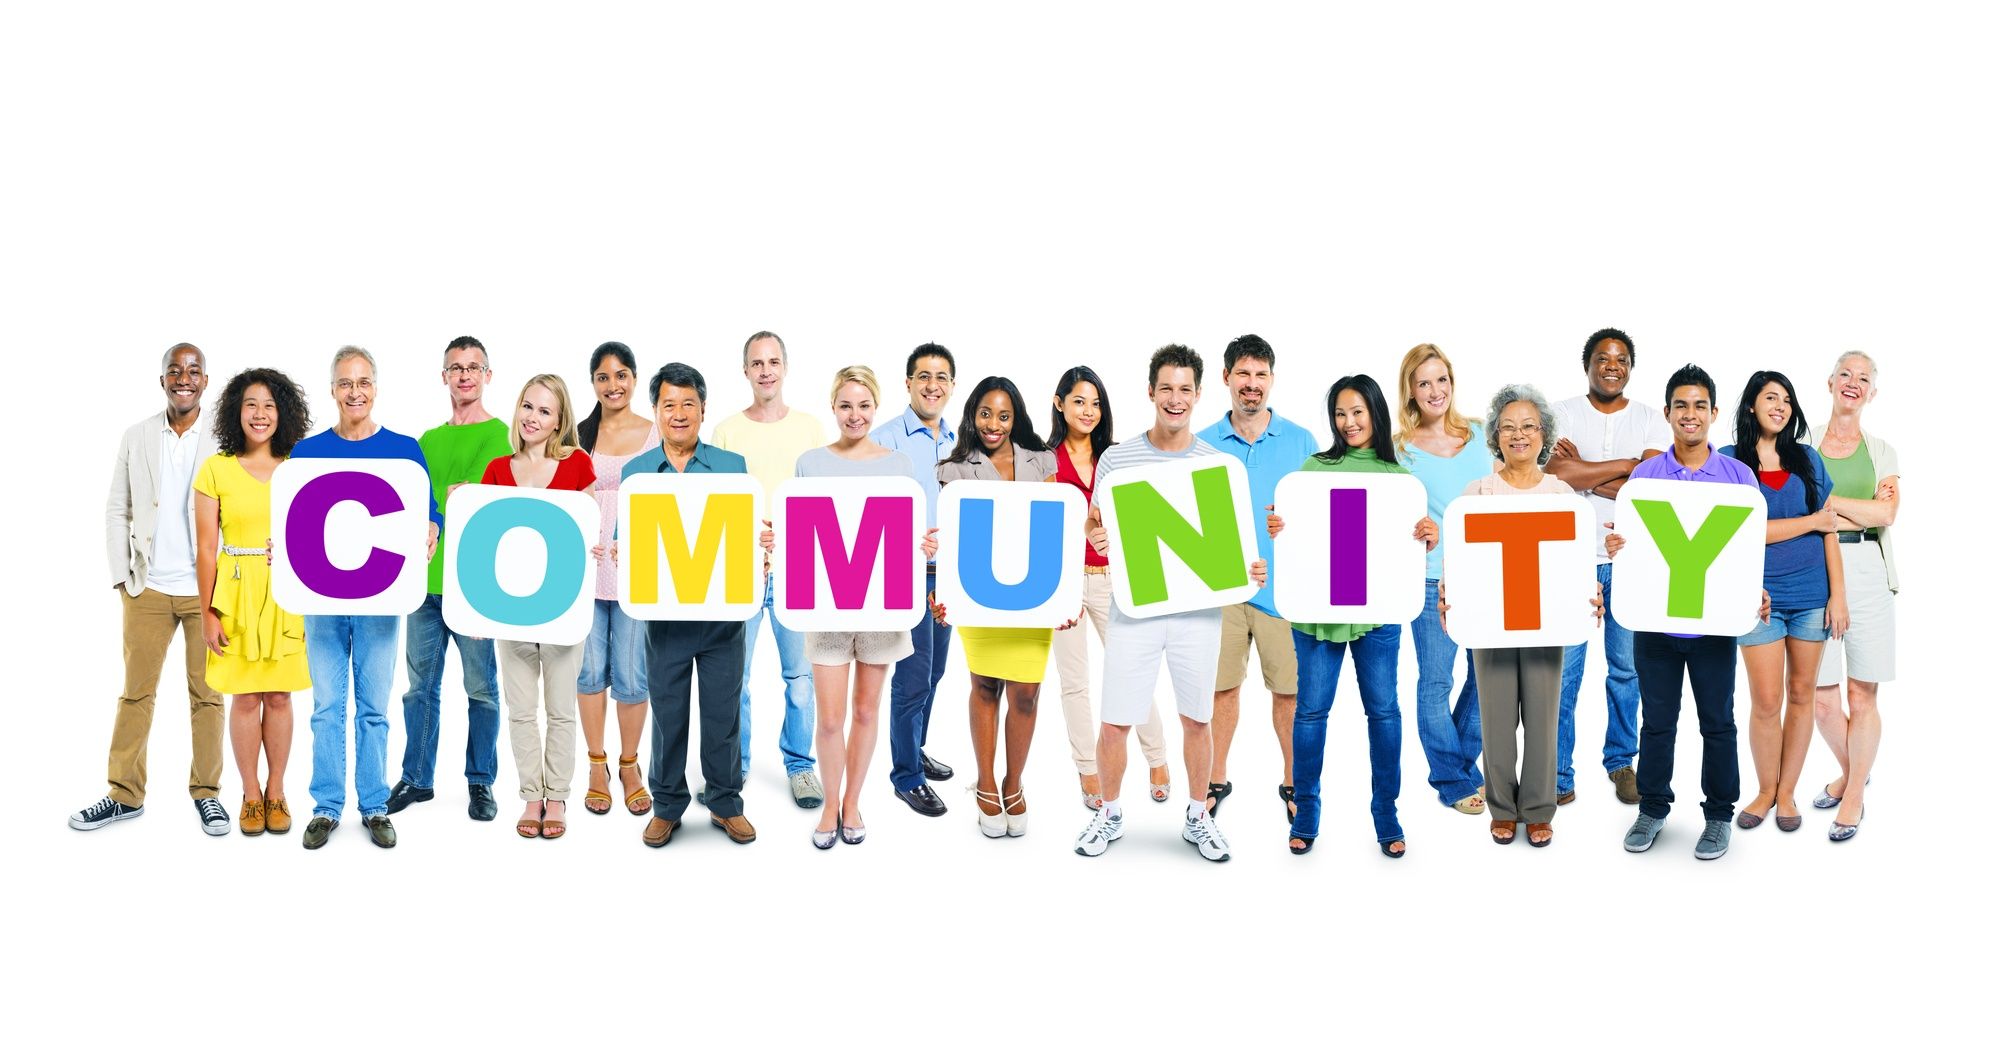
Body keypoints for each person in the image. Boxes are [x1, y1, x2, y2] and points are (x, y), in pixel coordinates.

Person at [1073, 345, 1265, 863]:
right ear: (1151, 393)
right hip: (1134, 611)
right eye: (1166, 389)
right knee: (1115, 721)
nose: (1175, 399)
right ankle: (1109, 813)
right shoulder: (1117, 458)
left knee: (1196, 720)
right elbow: (1095, 521)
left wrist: (1248, 570)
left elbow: (1231, 548)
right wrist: (1099, 536)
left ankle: (1198, 817)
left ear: (1198, 394)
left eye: (1185, 389)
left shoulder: (1216, 464)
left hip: (1197, 616)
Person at [1265, 375, 1435, 857]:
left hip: (1376, 616)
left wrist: (1426, 533)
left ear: (1375, 413)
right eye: (1340, 413)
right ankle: (1309, 809)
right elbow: (1298, 537)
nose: (1349, 422)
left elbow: (1404, 549)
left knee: (1383, 711)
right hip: (1318, 614)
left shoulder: (1398, 480)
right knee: (1312, 712)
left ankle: (1387, 811)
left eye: (1358, 412)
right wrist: (1280, 525)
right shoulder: (1312, 469)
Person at [73, 343, 227, 835]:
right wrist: (123, 579)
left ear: (206, 380)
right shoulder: (136, 436)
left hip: (209, 591)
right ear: (162, 379)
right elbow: (117, 508)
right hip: (148, 589)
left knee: (208, 695)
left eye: (194, 370)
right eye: (175, 371)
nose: (184, 378)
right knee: (135, 694)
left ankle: (207, 795)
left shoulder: (224, 439)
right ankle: (124, 794)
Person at [292, 346, 441, 850]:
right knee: (327, 706)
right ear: (332, 389)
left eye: (363, 382)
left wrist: (431, 528)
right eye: (344, 382)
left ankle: (374, 804)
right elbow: (291, 519)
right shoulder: (307, 452)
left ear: (375, 387)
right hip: (323, 600)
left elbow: (429, 510)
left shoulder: (403, 450)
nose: (354, 391)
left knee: (373, 707)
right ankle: (327, 807)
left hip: (380, 596)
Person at [1617, 364, 1769, 861]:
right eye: (1680, 405)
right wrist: (1618, 545)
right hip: (1657, 624)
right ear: (1667, 413)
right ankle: (1654, 807)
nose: (1690, 414)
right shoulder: (1645, 478)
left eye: (1699, 405)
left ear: (1714, 414)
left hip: (1712, 624)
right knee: (1657, 721)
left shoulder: (1738, 477)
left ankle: (1719, 816)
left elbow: (1746, 551)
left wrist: (1756, 590)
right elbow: (1636, 550)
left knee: (1716, 721)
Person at [1443, 384, 1594, 849]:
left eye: (1529, 426)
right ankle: (1503, 810)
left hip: (1547, 621)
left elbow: (1575, 564)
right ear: (1495, 437)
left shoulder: (1561, 493)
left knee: (1545, 718)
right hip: (1493, 623)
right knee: (1497, 720)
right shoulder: (1479, 491)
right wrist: (1453, 596)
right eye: (1508, 427)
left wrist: (1590, 598)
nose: (1518, 435)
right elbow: (1462, 560)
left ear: (1543, 433)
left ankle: (1539, 809)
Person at [796, 366, 938, 848]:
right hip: (827, 608)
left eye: (863, 406)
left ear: (874, 407)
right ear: (833, 408)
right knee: (831, 718)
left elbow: (902, 532)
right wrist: (777, 540)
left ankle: (853, 802)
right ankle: (830, 804)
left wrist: (921, 547)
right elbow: (803, 538)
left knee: (865, 712)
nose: (854, 415)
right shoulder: (811, 463)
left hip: (881, 605)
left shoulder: (898, 465)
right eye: (845, 405)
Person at [624, 363, 756, 849]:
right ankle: (667, 807)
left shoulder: (732, 467)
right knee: (668, 715)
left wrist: (760, 540)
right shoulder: (638, 473)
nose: (678, 414)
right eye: (668, 405)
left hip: (722, 622)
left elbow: (743, 535)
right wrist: (622, 549)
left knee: (723, 717)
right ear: (655, 411)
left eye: (688, 404)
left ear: (703, 410)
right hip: (665, 624)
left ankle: (725, 803)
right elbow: (629, 539)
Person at [388, 335, 512, 823]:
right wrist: (445, 497)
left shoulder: (499, 434)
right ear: (444, 377)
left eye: (474, 367)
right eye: (456, 367)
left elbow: (479, 500)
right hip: (422, 584)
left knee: (481, 688)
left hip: (472, 583)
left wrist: (446, 499)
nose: (464, 374)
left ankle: (481, 783)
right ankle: (418, 778)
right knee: (420, 688)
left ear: (487, 375)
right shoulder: (428, 440)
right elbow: (409, 500)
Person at [930, 376, 1060, 838]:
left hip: (1033, 596)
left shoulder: (1043, 462)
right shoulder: (953, 469)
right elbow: (951, 539)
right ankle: (985, 782)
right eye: (985, 413)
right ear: (972, 415)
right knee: (985, 686)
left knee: (1026, 692)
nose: (993, 424)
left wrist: (1065, 594)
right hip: (979, 596)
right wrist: (942, 593)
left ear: (1015, 417)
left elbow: (1056, 532)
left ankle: (1013, 781)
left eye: (1004, 415)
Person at [1547, 328, 1670, 807]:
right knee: (1565, 671)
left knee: (1626, 669)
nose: (1611, 365)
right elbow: (1554, 474)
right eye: (1602, 358)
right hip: (1571, 557)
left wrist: (1587, 472)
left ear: (1630, 367)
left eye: (1620, 358)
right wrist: (1624, 467)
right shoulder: (1560, 413)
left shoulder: (1650, 418)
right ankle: (1559, 772)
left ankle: (1621, 762)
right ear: (1588, 365)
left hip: (1629, 558)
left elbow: (1650, 491)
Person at [1196, 335, 1314, 820]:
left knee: (1288, 693)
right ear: (1226, 378)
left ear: (1272, 379)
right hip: (1221, 591)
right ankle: (1214, 778)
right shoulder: (1200, 443)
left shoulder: (1301, 441)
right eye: (1243, 374)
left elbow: (1316, 515)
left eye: (1261, 374)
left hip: (1283, 593)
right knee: (1222, 690)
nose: (1252, 384)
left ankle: (1293, 782)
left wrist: (1289, 529)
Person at [1722, 371, 1842, 833]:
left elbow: (1829, 529)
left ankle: (1787, 791)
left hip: (1813, 596)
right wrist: (1810, 520)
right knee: (1766, 700)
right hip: (1757, 598)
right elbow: (1740, 532)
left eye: (1787, 399)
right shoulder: (1731, 462)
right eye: (1770, 397)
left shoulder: (1808, 459)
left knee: (1801, 695)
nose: (1780, 405)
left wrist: (1840, 596)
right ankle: (1764, 788)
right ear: (1751, 405)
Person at [1048, 366, 1173, 810]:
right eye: (1079, 401)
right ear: (1059, 403)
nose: (1088, 411)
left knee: (1131, 673)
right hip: (1063, 583)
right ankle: (1088, 769)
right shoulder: (1043, 460)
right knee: (1074, 682)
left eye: (1096, 402)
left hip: (1113, 578)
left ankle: (1156, 757)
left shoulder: (1118, 457)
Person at [195, 369, 313, 837]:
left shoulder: (299, 467)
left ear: (282, 412)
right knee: (244, 698)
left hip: (288, 593)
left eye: (269, 405)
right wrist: (206, 611)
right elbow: (206, 548)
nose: (260, 414)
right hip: (235, 592)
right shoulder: (216, 469)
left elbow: (319, 535)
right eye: (250, 404)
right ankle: (248, 794)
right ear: (235, 412)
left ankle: (278, 791)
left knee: (280, 696)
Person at [711, 331, 825, 809]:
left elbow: (822, 504)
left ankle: (800, 766)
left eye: (773, 361)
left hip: (796, 571)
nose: (765, 370)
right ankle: (733, 766)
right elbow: (713, 504)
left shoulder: (811, 429)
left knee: (800, 677)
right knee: (734, 677)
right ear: (745, 371)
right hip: (739, 571)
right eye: (756, 362)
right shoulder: (726, 431)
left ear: (785, 367)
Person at [482, 374, 596, 840]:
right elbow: (482, 548)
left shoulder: (577, 466)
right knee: (521, 709)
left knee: (560, 709)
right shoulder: (495, 469)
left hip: (562, 608)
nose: (533, 417)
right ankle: (532, 795)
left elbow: (587, 534)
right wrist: (479, 611)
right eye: (528, 406)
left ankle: (559, 798)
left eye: (545, 411)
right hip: (511, 611)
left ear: (559, 421)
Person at [1393, 343, 1492, 816]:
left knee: (1485, 678)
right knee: (1435, 681)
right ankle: (1453, 779)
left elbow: (1502, 495)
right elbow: (1388, 515)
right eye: (1424, 382)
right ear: (1411, 391)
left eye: (1441, 380)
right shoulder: (1399, 449)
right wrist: (1418, 527)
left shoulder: (1481, 435)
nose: (1435, 391)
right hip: (1432, 579)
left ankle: (1461, 766)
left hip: (1485, 574)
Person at [1811, 351, 1899, 842]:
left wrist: (1831, 506)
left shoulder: (1883, 450)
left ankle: (1853, 794)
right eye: (1845, 373)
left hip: (1867, 570)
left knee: (1862, 693)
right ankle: (1854, 773)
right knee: (1821, 698)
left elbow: (1886, 516)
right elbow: (1804, 512)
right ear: (1829, 383)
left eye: (1863, 378)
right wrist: (1855, 510)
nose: (1853, 382)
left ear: (1872, 393)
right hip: (1815, 572)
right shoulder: (1804, 446)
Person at [873, 344, 960, 816]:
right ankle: (906, 776)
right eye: (923, 376)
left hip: (950, 576)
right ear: (907, 383)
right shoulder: (886, 438)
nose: (932, 385)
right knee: (912, 679)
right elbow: (870, 510)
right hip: (906, 573)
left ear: (951, 385)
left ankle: (916, 749)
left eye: (941, 377)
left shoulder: (958, 441)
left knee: (936, 672)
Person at [576, 342, 658, 818]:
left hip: (636, 572)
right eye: (604, 377)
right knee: (589, 672)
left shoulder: (655, 433)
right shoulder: (580, 433)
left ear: (634, 378)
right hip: (584, 570)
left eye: (622, 375)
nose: (614, 385)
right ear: (594, 384)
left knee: (631, 674)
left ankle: (630, 765)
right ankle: (595, 764)